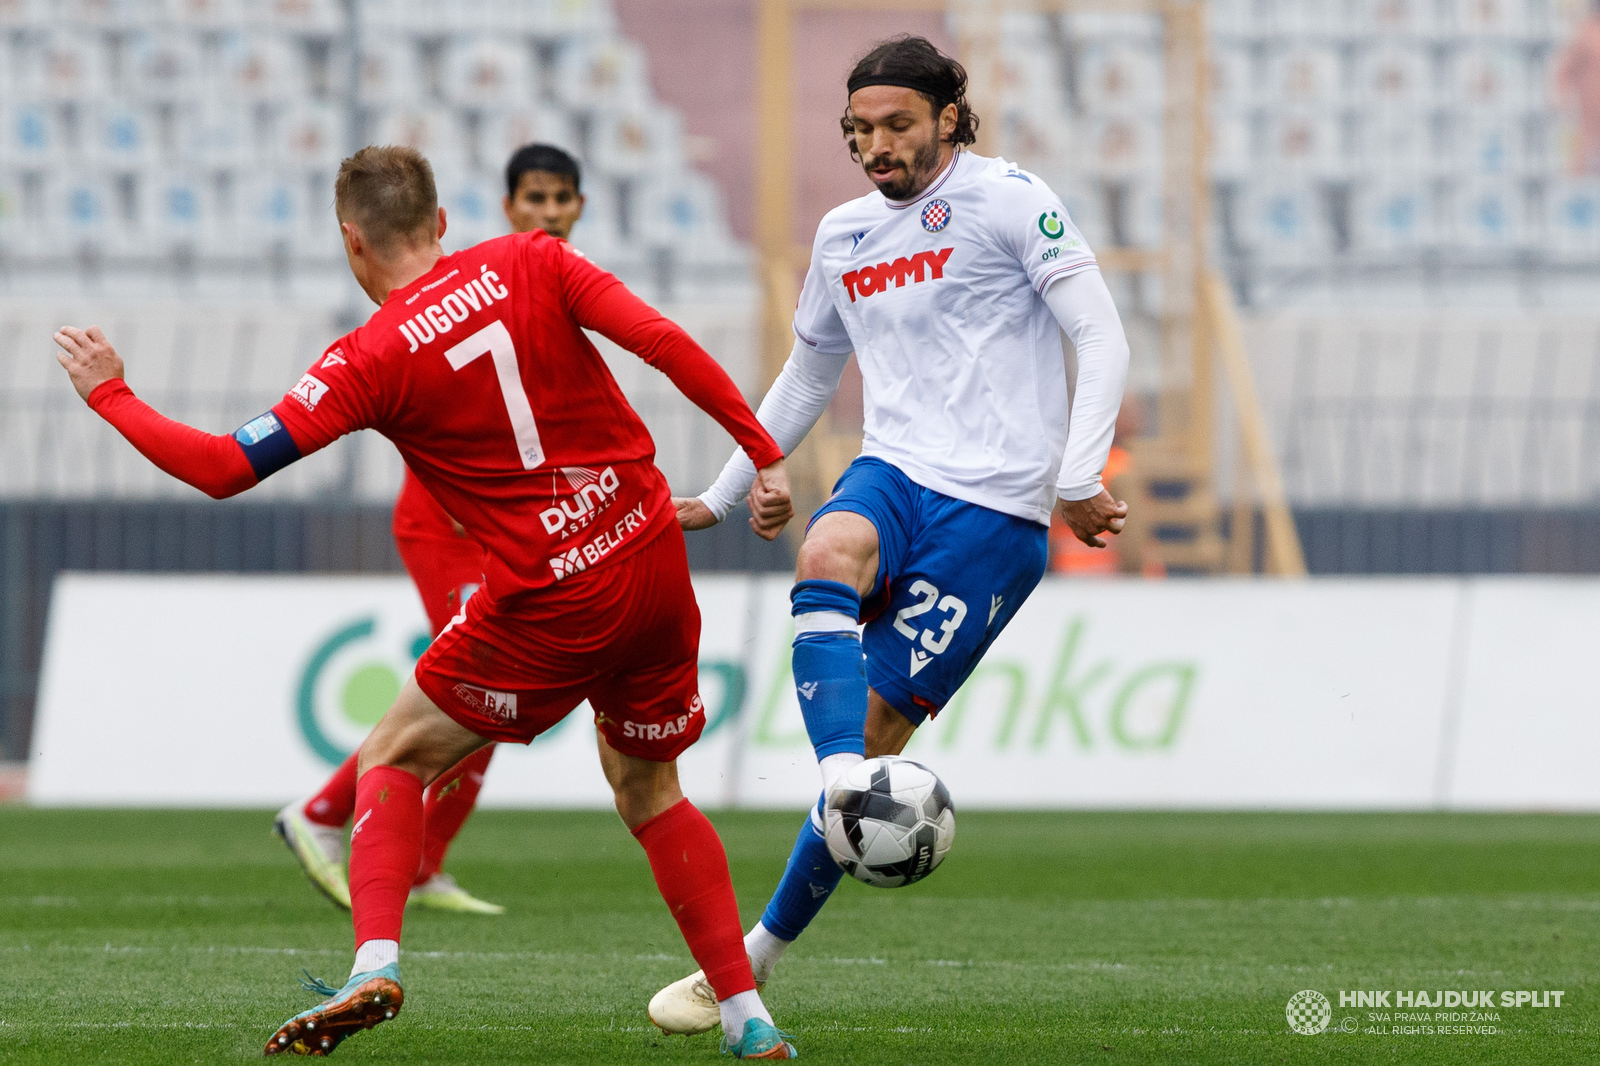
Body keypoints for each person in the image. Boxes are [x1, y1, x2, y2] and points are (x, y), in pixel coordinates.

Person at [55, 145, 799, 1060]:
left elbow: (221, 468)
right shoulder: (535, 257)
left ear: (351, 243)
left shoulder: (366, 357)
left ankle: (374, 963)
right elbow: (663, 342)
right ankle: (747, 1017)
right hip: (649, 560)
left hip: (549, 599)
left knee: (396, 752)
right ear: (442, 223)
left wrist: (110, 392)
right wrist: (760, 453)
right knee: (651, 791)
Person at [650, 35, 1131, 1034]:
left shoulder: (1008, 201)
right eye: (859, 131)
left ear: (949, 117)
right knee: (826, 554)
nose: (875, 146)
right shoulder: (842, 236)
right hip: (898, 469)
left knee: (877, 740)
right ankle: (838, 782)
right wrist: (726, 488)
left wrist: (1078, 475)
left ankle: (753, 961)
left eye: (896, 126)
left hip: (993, 516)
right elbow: (808, 377)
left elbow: (1099, 331)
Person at [274, 143, 591, 918]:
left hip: (513, 531)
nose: (549, 213)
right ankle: (323, 815)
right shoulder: (485, 273)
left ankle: (419, 865)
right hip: (449, 525)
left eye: (562, 199)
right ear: (508, 206)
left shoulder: (540, 273)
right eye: (535, 199)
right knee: (474, 692)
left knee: (489, 704)